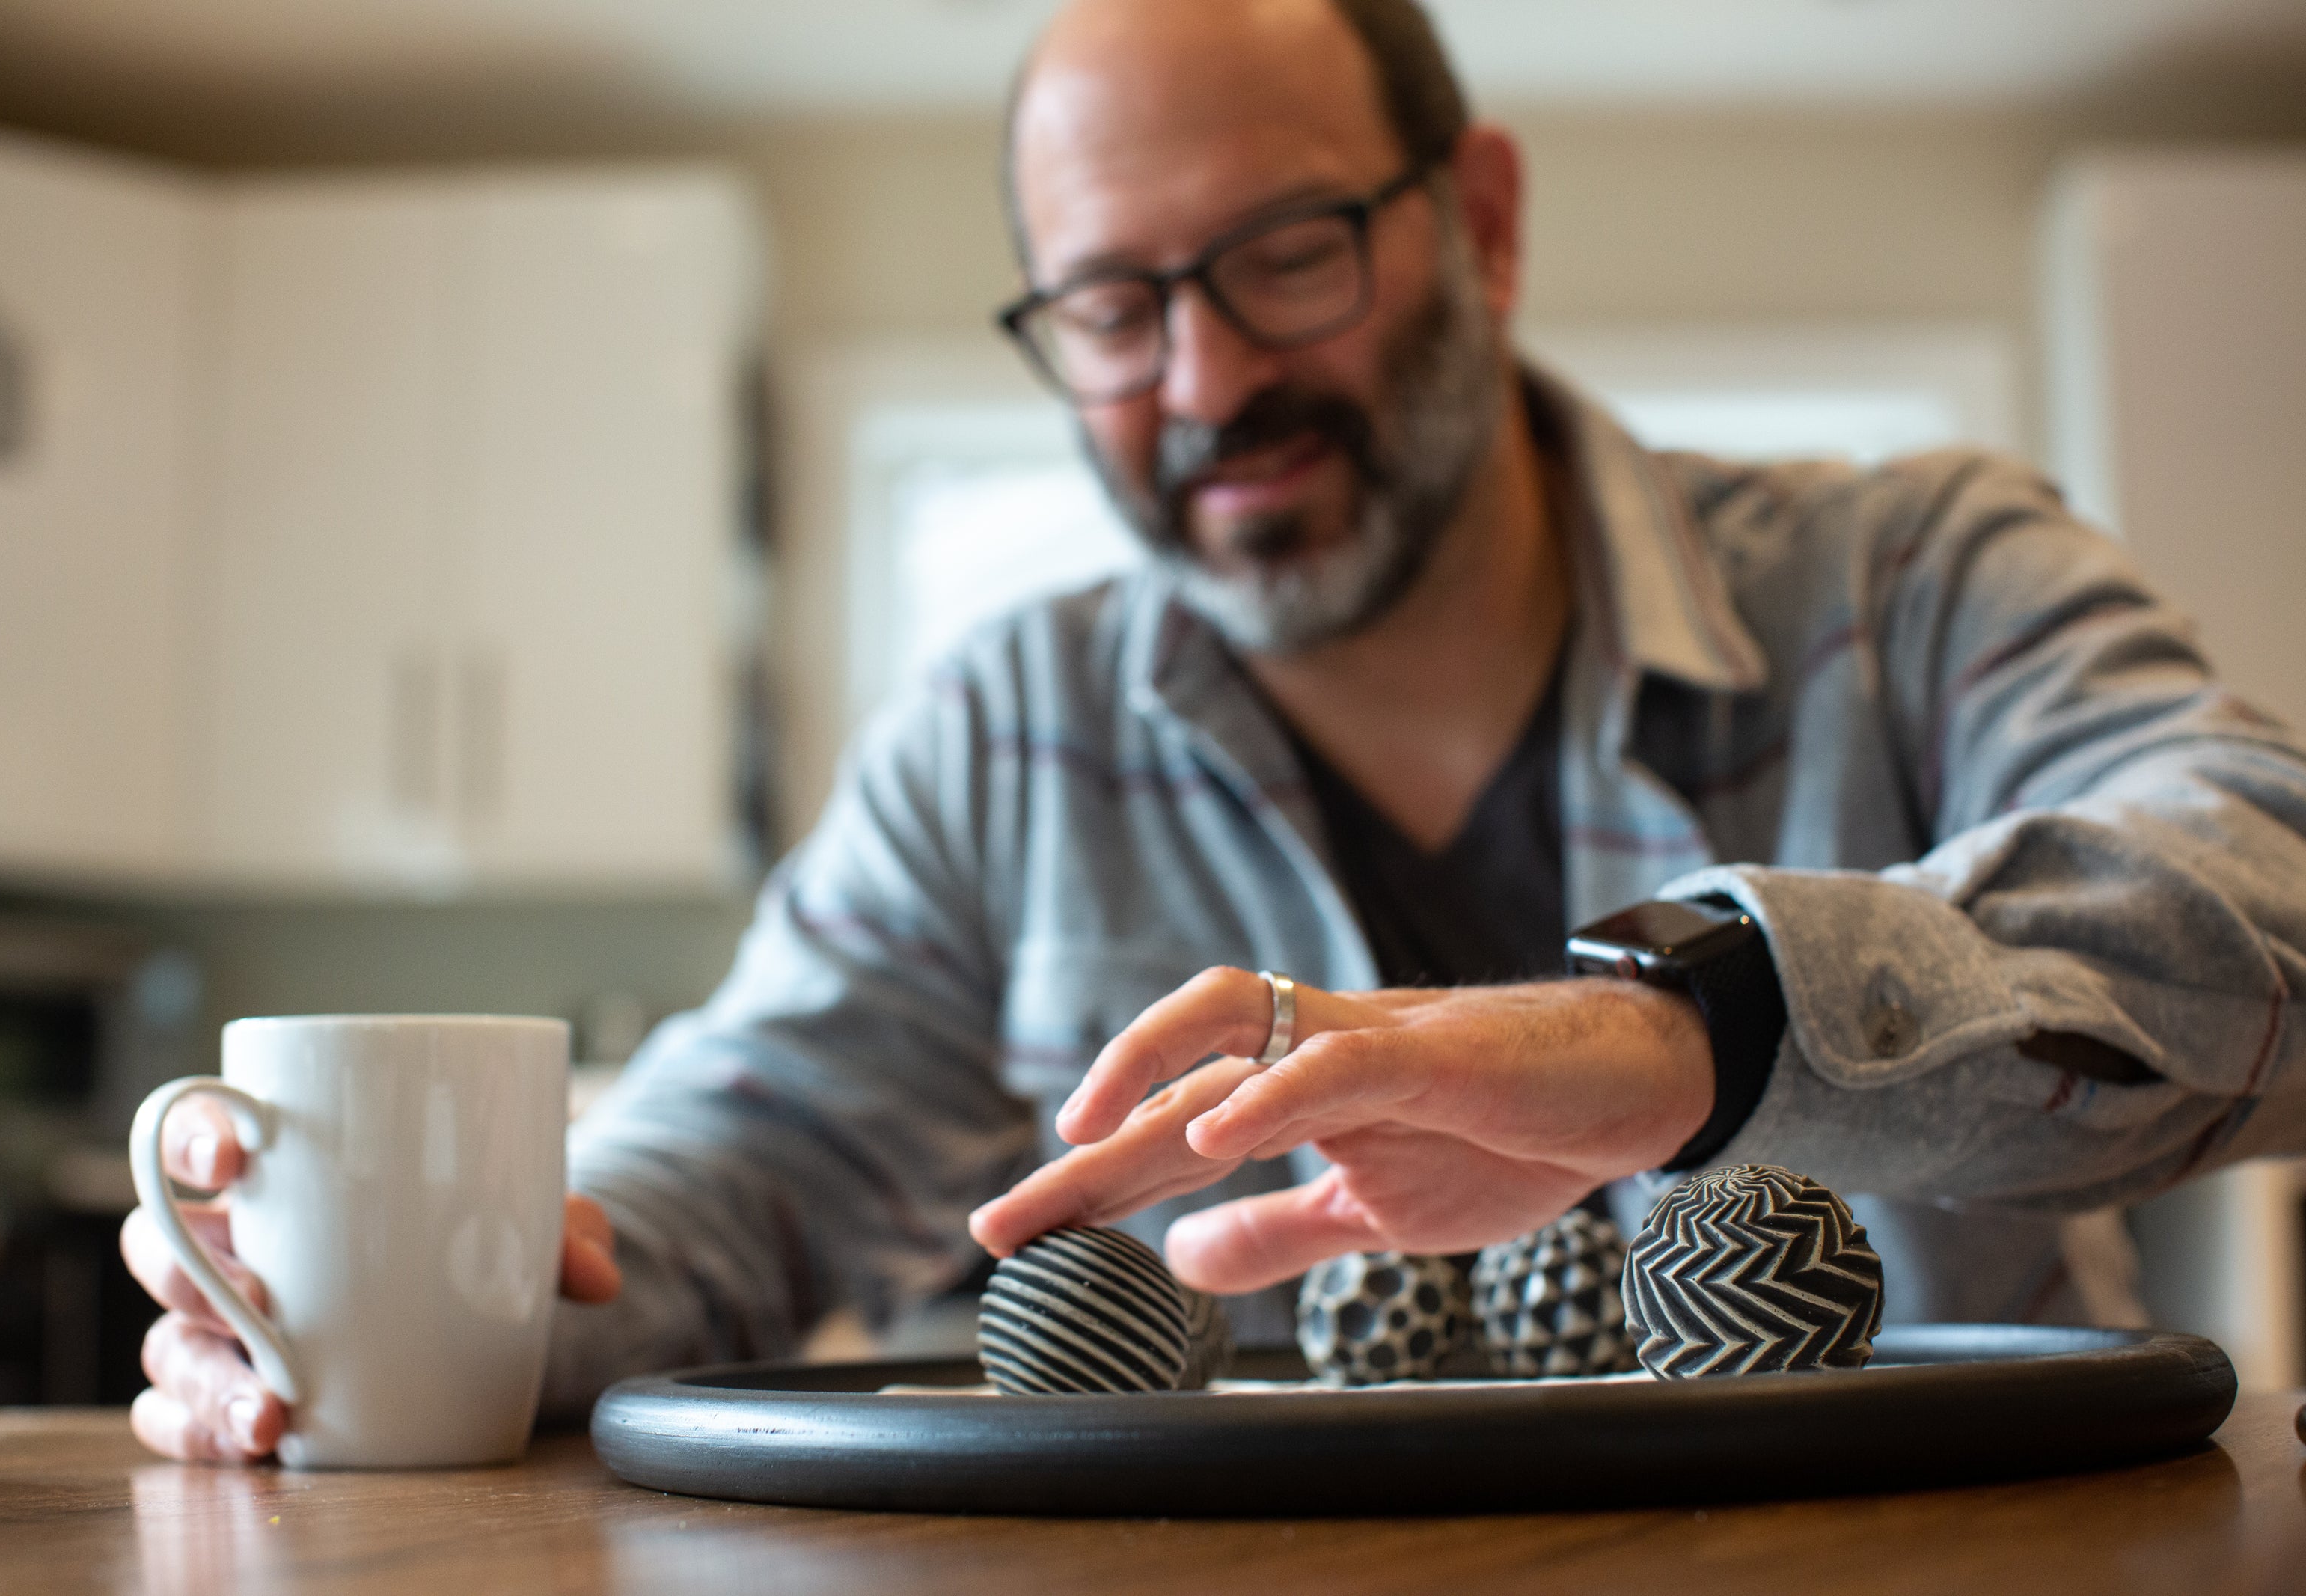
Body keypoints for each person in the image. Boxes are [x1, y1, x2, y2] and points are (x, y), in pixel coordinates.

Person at [123, 0, 2306, 1461]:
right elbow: (731, 1168)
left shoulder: (1907, 579)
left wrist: (1706, 1027)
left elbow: (2267, 873)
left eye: (1285, 254)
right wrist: (433, 1293)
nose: (1200, 380)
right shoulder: (1001, 732)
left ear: (1484, 224)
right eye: (1109, 303)